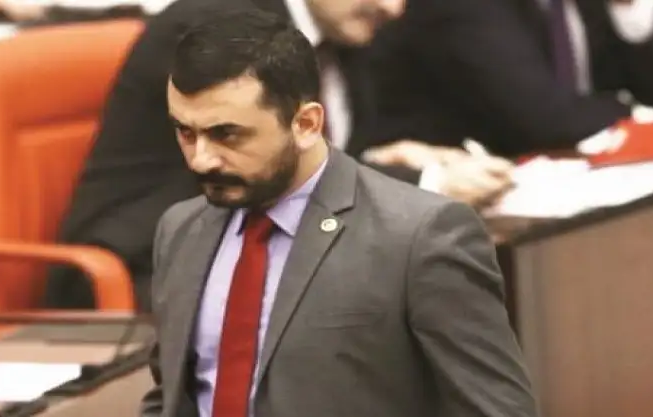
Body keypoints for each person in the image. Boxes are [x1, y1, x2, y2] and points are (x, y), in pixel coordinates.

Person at [142, 8, 537, 417]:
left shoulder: (420, 237)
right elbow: (175, 395)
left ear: (306, 124)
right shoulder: (181, 230)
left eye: (226, 134)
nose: (201, 159)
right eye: (186, 132)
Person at [43, 0, 409, 311]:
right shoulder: (216, 29)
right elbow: (273, 179)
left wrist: (405, 167)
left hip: (258, 248)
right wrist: (424, 183)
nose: (393, 8)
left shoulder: (344, 40)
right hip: (145, 271)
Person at [366, 0, 653, 158]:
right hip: (410, 201)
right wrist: (632, 111)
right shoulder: (464, 7)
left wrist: (628, 6)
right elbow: (542, 122)